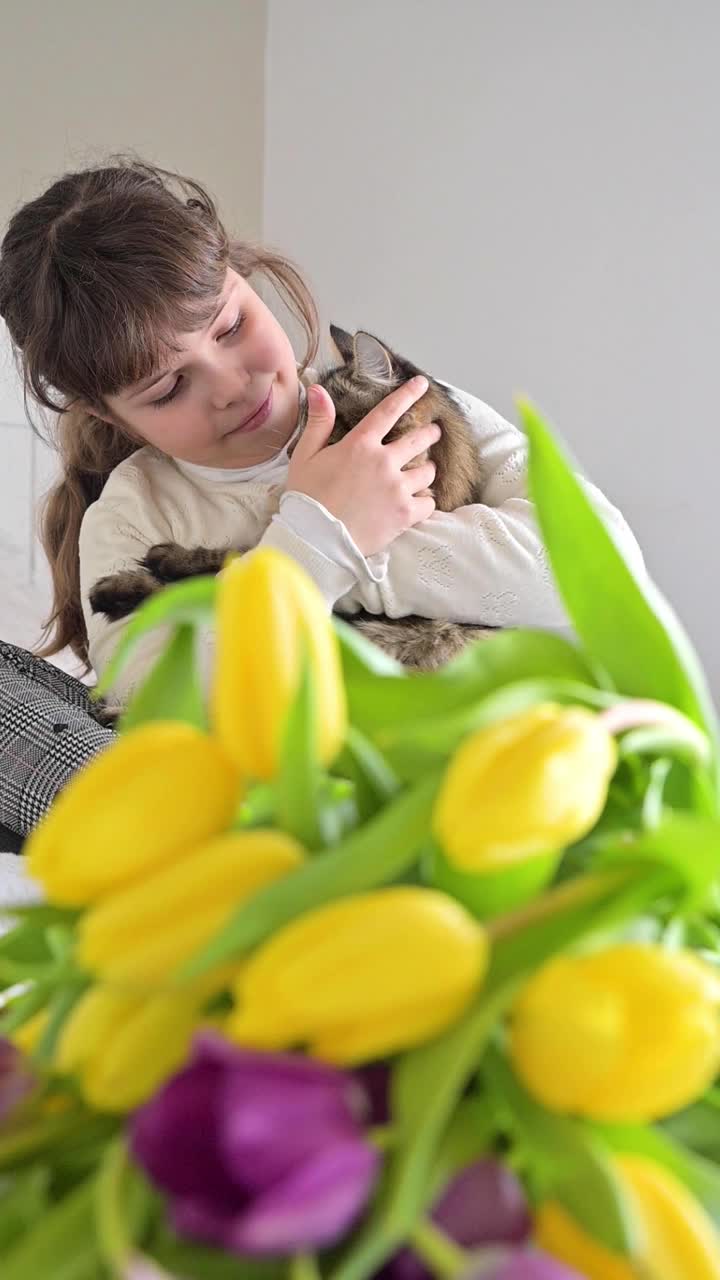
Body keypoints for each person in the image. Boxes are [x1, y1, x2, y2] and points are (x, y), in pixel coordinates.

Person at [0, 157, 644, 711]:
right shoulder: (134, 514)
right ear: (111, 415)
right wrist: (316, 540)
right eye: (168, 389)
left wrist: (342, 555)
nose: (230, 384)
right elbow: (155, 701)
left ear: (245, 278)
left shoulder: (406, 408)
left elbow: (598, 565)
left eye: (229, 328)